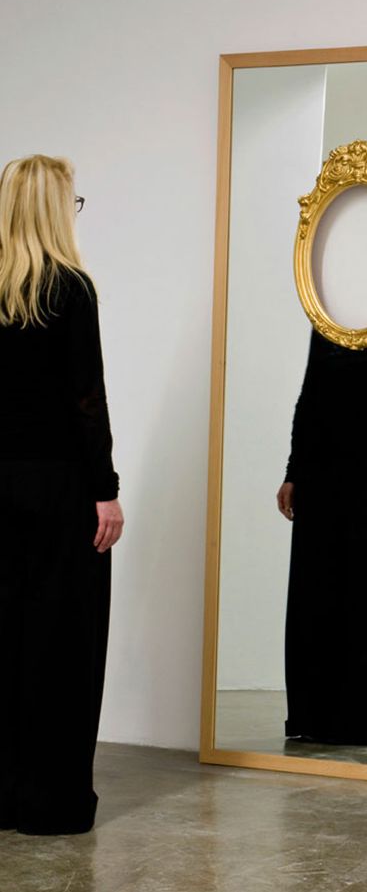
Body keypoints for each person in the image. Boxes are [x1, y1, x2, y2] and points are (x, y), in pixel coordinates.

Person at [0, 154, 123, 834]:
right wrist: (105, 491)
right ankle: (50, 801)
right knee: (60, 645)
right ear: (55, 210)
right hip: (57, 491)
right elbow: (86, 400)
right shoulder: (70, 289)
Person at [277, 322, 367, 746]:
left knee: (366, 597)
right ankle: (310, 719)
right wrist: (293, 473)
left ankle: (362, 723)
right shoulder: (325, 325)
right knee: (314, 594)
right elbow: (308, 397)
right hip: (320, 474)